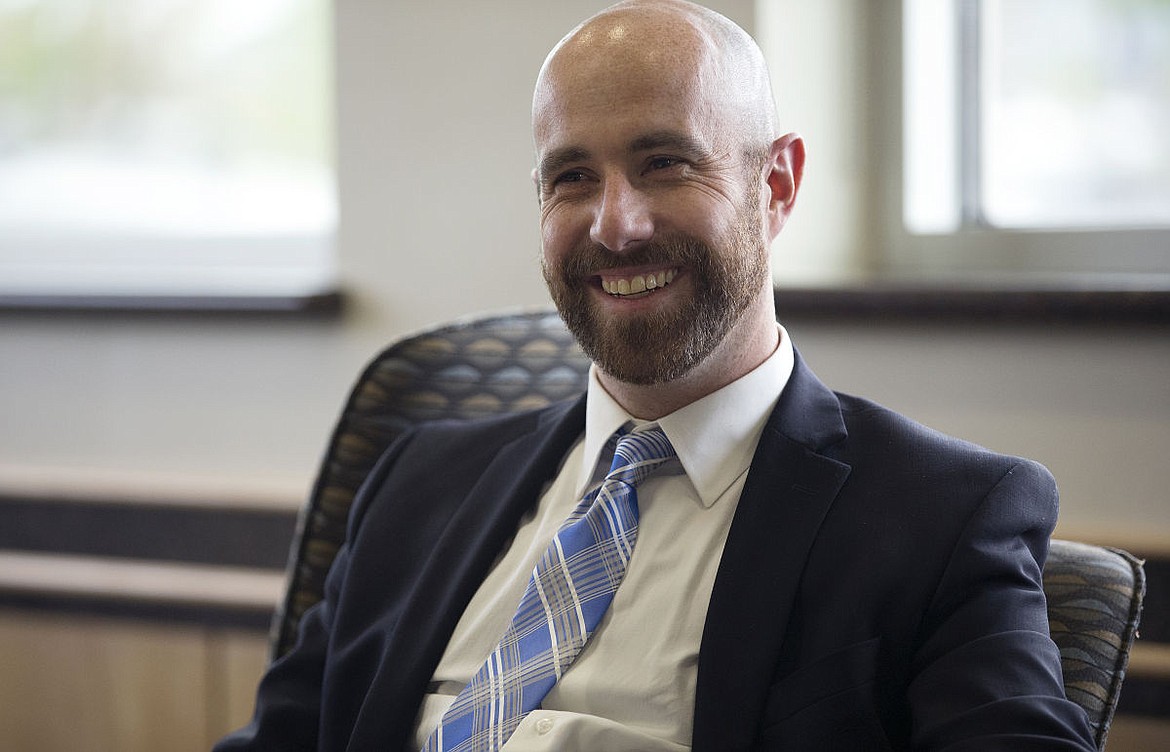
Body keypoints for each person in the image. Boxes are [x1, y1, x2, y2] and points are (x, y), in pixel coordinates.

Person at [216, 1, 1096, 749]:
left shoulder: (941, 515)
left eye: (664, 163)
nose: (616, 225)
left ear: (777, 184)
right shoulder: (415, 481)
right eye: (571, 178)